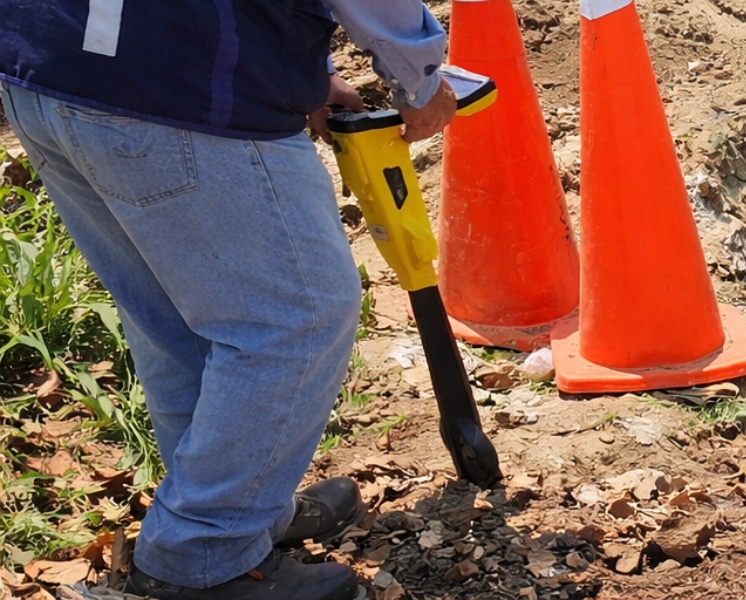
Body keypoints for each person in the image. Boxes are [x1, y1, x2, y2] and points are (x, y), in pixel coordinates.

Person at [0, 1, 456, 598]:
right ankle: (201, 553)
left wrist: (301, 75)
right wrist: (419, 78)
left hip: (49, 66)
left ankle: (236, 515)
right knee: (298, 318)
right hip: (179, 88)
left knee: (176, 320)